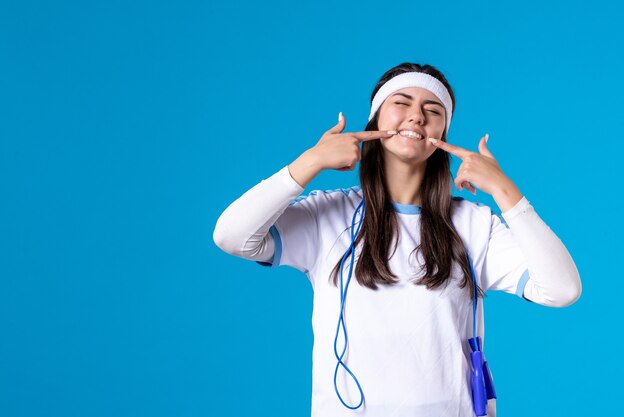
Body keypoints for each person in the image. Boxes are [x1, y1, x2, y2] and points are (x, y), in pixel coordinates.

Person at [213, 62, 582, 417]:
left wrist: (504, 190)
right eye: (401, 103)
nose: (417, 116)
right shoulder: (328, 216)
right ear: (375, 120)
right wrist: (308, 163)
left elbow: (561, 289)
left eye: (432, 109)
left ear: (442, 134)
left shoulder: (474, 224)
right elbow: (232, 236)